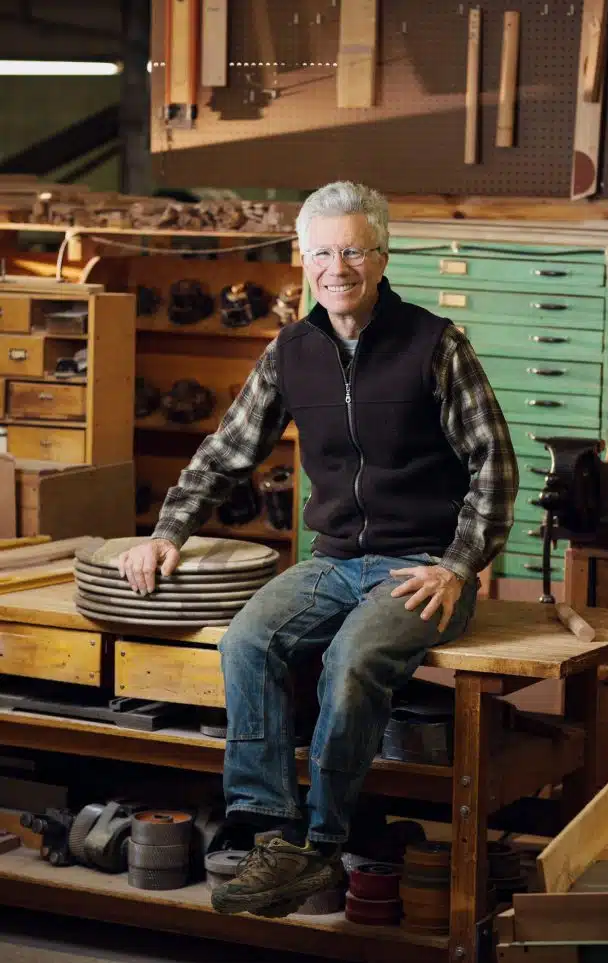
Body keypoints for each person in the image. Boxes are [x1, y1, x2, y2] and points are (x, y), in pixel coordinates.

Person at [118, 181, 518, 918]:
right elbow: (226, 451)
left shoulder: (435, 344)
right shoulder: (290, 352)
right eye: (323, 252)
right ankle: (271, 830)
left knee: (354, 658)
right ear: (304, 261)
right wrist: (167, 531)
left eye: (354, 250)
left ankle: (322, 844)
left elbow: (494, 463)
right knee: (247, 641)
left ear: (383, 256)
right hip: (333, 559)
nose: (339, 267)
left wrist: (460, 565)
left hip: (422, 565)